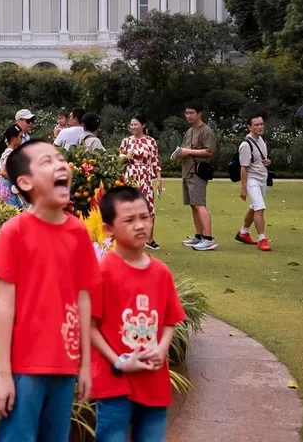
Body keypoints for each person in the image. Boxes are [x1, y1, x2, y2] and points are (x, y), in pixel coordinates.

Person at [0, 139, 98, 441]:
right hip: (24, 368)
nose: (61, 164)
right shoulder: (14, 232)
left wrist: (86, 365)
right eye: (47, 161)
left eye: (61, 159)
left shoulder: (77, 232)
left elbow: (83, 299)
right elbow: (6, 307)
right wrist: (4, 375)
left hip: (65, 365)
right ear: (25, 182)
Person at [89, 186, 186, 442]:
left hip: (153, 381)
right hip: (114, 383)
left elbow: (169, 320)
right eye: (129, 220)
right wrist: (118, 361)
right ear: (109, 228)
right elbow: (89, 326)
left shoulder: (161, 273)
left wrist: (163, 349)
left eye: (144, 217)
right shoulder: (103, 271)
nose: (140, 225)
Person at [175, 104, 217, 252]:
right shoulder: (189, 131)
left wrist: (188, 151)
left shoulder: (206, 131)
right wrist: (179, 153)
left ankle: (209, 239)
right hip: (187, 172)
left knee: (200, 204)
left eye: (191, 113)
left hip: (198, 172)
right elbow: (185, 149)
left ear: (199, 114)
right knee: (193, 205)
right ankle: (199, 236)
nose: (188, 116)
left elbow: (209, 151)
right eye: (186, 113)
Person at [119, 116, 163, 251]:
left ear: (143, 125)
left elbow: (155, 160)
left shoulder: (150, 141)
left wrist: (159, 177)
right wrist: (126, 157)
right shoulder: (126, 141)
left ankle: (150, 239)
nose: (133, 127)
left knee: (148, 206)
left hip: (146, 175)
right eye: (131, 124)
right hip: (130, 174)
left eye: (136, 124)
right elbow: (119, 160)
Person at [236, 114, 272, 252]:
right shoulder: (245, 145)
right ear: (249, 127)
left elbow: (260, 160)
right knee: (259, 207)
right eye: (256, 125)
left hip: (262, 178)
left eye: (261, 124)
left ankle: (243, 232)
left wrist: (268, 162)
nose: (260, 127)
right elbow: (243, 168)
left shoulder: (262, 140)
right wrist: (243, 188)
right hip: (252, 180)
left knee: (254, 206)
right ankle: (262, 238)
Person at [0, 124, 25, 208]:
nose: (22, 139)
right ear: (13, 138)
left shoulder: (8, 152)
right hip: (8, 187)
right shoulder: (10, 153)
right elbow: (2, 172)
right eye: (20, 137)